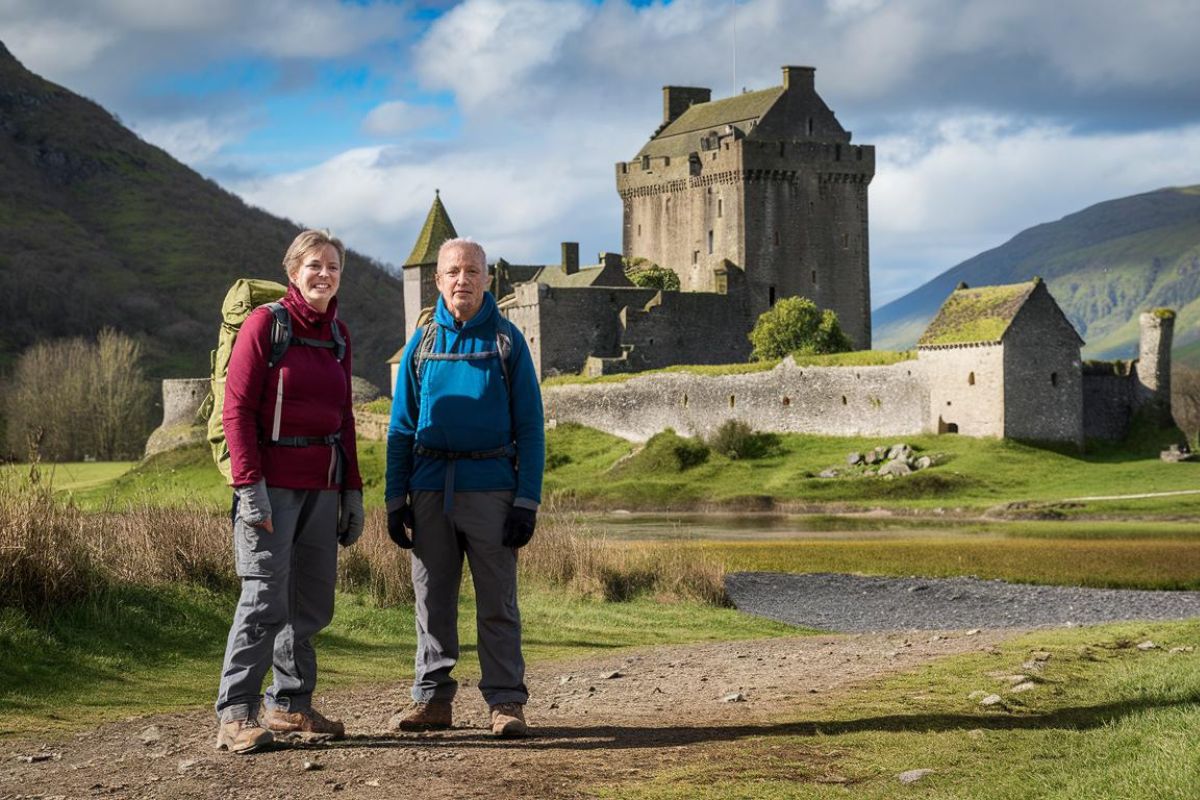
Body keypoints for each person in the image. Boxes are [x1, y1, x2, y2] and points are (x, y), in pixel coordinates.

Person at [385, 237, 544, 738]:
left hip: (492, 491)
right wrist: (395, 500)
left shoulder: (507, 341)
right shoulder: (423, 343)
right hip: (430, 489)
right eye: (453, 271)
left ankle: (505, 703)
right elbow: (400, 428)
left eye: (472, 271)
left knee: (497, 602)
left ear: (486, 279)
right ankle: (432, 700)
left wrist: (526, 501)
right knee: (432, 601)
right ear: (438, 280)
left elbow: (532, 429)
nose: (462, 280)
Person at [214, 229, 365, 754]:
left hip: (323, 487)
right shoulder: (265, 325)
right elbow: (236, 410)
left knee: (310, 603)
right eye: (315, 265)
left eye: (333, 266)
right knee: (262, 601)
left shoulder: (338, 336)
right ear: (293, 272)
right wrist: (249, 486)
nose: (324, 274)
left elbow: (343, 419)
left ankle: (291, 705)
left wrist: (352, 491)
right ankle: (236, 714)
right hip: (271, 487)